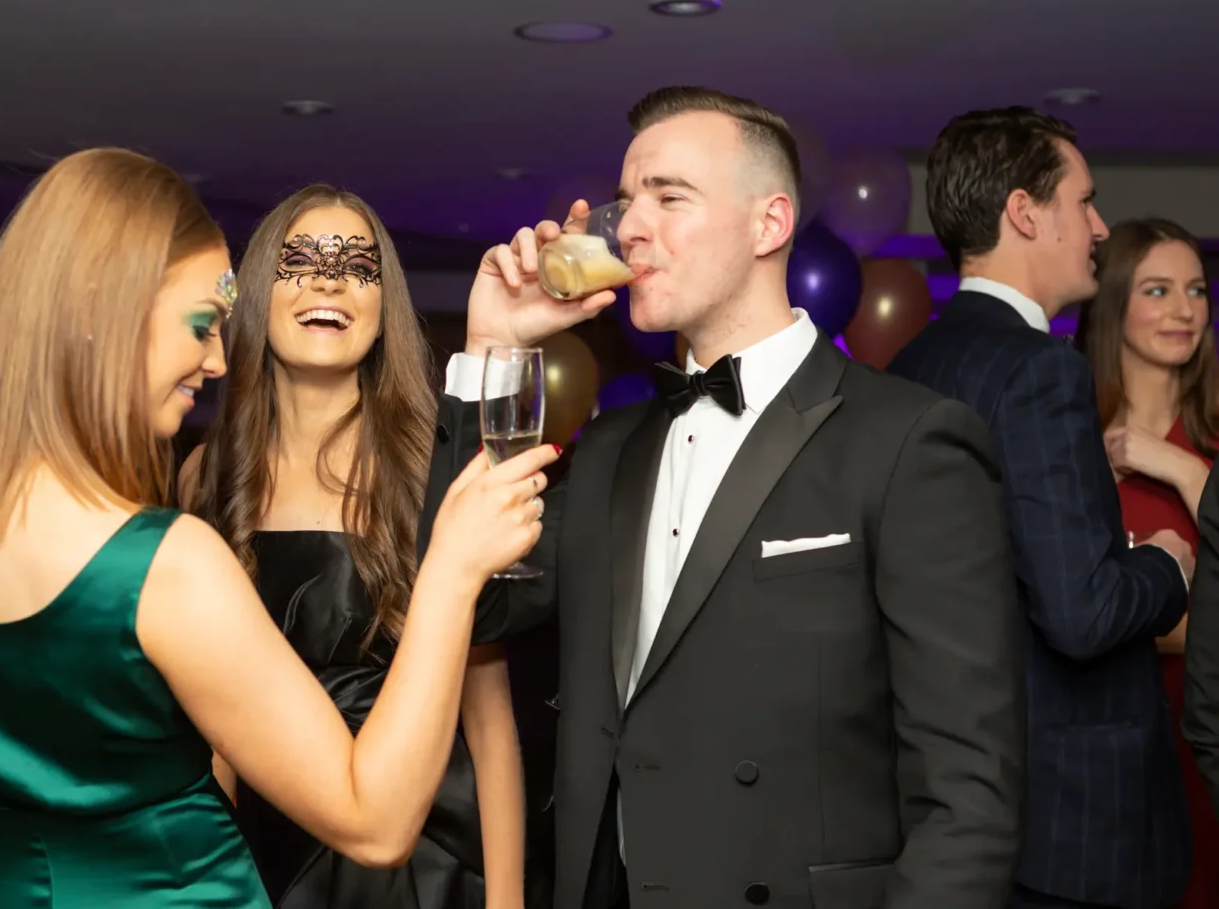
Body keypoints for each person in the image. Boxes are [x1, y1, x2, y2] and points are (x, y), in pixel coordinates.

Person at [0, 148, 558, 908]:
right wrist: (451, 575)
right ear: (104, 311)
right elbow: (374, 822)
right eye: (201, 325)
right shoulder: (164, 559)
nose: (216, 360)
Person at [420, 86, 1025, 908]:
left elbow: (968, 796)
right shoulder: (608, 450)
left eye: (670, 198)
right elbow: (475, 603)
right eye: (629, 201)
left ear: (769, 225)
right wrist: (493, 346)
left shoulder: (909, 441)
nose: (630, 226)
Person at [181, 184, 528, 909]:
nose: (329, 279)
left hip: (427, 860)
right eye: (300, 259)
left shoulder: (435, 469)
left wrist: (506, 902)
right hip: (265, 858)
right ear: (255, 296)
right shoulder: (204, 476)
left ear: (383, 305)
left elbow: (488, 716)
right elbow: (210, 734)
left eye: (357, 265)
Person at [889, 110, 1194, 909]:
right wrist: (1167, 562)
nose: (1098, 227)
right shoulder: (1039, 371)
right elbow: (1081, 613)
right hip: (1077, 824)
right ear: (1025, 213)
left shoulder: (916, 360)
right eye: (1084, 203)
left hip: (964, 799)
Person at [1074, 216, 1219, 909]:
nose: (1185, 309)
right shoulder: (1063, 436)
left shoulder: (1211, 440)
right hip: (1099, 752)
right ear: (1114, 303)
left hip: (1206, 740)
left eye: (1195, 290)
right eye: (1158, 290)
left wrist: (1185, 470)